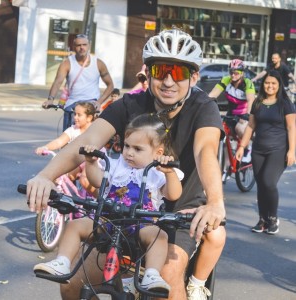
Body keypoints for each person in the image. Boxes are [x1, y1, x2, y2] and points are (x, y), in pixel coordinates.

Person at [26, 28, 226, 300]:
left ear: (193, 77)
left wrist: (215, 201)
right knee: (73, 285)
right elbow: (88, 140)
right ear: (149, 72)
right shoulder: (130, 104)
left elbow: (206, 150)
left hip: (179, 214)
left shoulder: (203, 107)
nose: (168, 81)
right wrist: (46, 176)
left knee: (167, 279)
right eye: (160, 71)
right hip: (125, 213)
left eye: (178, 73)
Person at [33, 113, 183, 293]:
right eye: (126, 146)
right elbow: (97, 181)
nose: (129, 152)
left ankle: (152, 274)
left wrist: (169, 173)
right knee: (74, 225)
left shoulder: (156, 172)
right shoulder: (116, 165)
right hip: (107, 221)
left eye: (137, 149)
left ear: (158, 153)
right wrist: (91, 163)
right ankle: (62, 262)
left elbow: (173, 194)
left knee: (160, 236)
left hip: (141, 224)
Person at [236, 70, 296, 234]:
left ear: (278, 85)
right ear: (263, 84)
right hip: (258, 150)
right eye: (267, 83)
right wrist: (242, 146)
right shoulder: (258, 102)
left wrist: (292, 150)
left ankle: (273, 218)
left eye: (273, 83)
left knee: (269, 182)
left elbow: (291, 127)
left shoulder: (285, 103)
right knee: (261, 185)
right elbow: (250, 126)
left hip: (278, 150)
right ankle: (262, 219)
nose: (270, 86)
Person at [43, 33, 114, 130]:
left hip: (90, 104)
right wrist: (50, 99)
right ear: (73, 47)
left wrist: (99, 102)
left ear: (89, 46)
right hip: (72, 105)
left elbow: (110, 85)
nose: (82, 48)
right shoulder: (67, 63)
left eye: (84, 45)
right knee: (67, 138)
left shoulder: (98, 63)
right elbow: (57, 82)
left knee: (89, 139)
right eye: (78, 45)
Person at [36, 102, 98, 197]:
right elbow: (59, 142)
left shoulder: (96, 130)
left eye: (79, 115)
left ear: (89, 118)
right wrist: (46, 147)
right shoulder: (73, 130)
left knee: (84, 180)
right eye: (75, 114)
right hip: (77, 161)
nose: (75, 117)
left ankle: (101, 202)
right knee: (57, 176)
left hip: (93, 162)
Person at [209, 59, 256, 139]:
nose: (233, 75)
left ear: (242, 73)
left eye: (236, 73)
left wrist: (247, 116)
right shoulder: (226, 80)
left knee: (240, 130)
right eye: (231, 72)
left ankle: (248, 149)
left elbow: (251, 100)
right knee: (218, 132)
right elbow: (212, 95)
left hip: (243, 116)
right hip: (230, 114)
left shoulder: (247, 83)